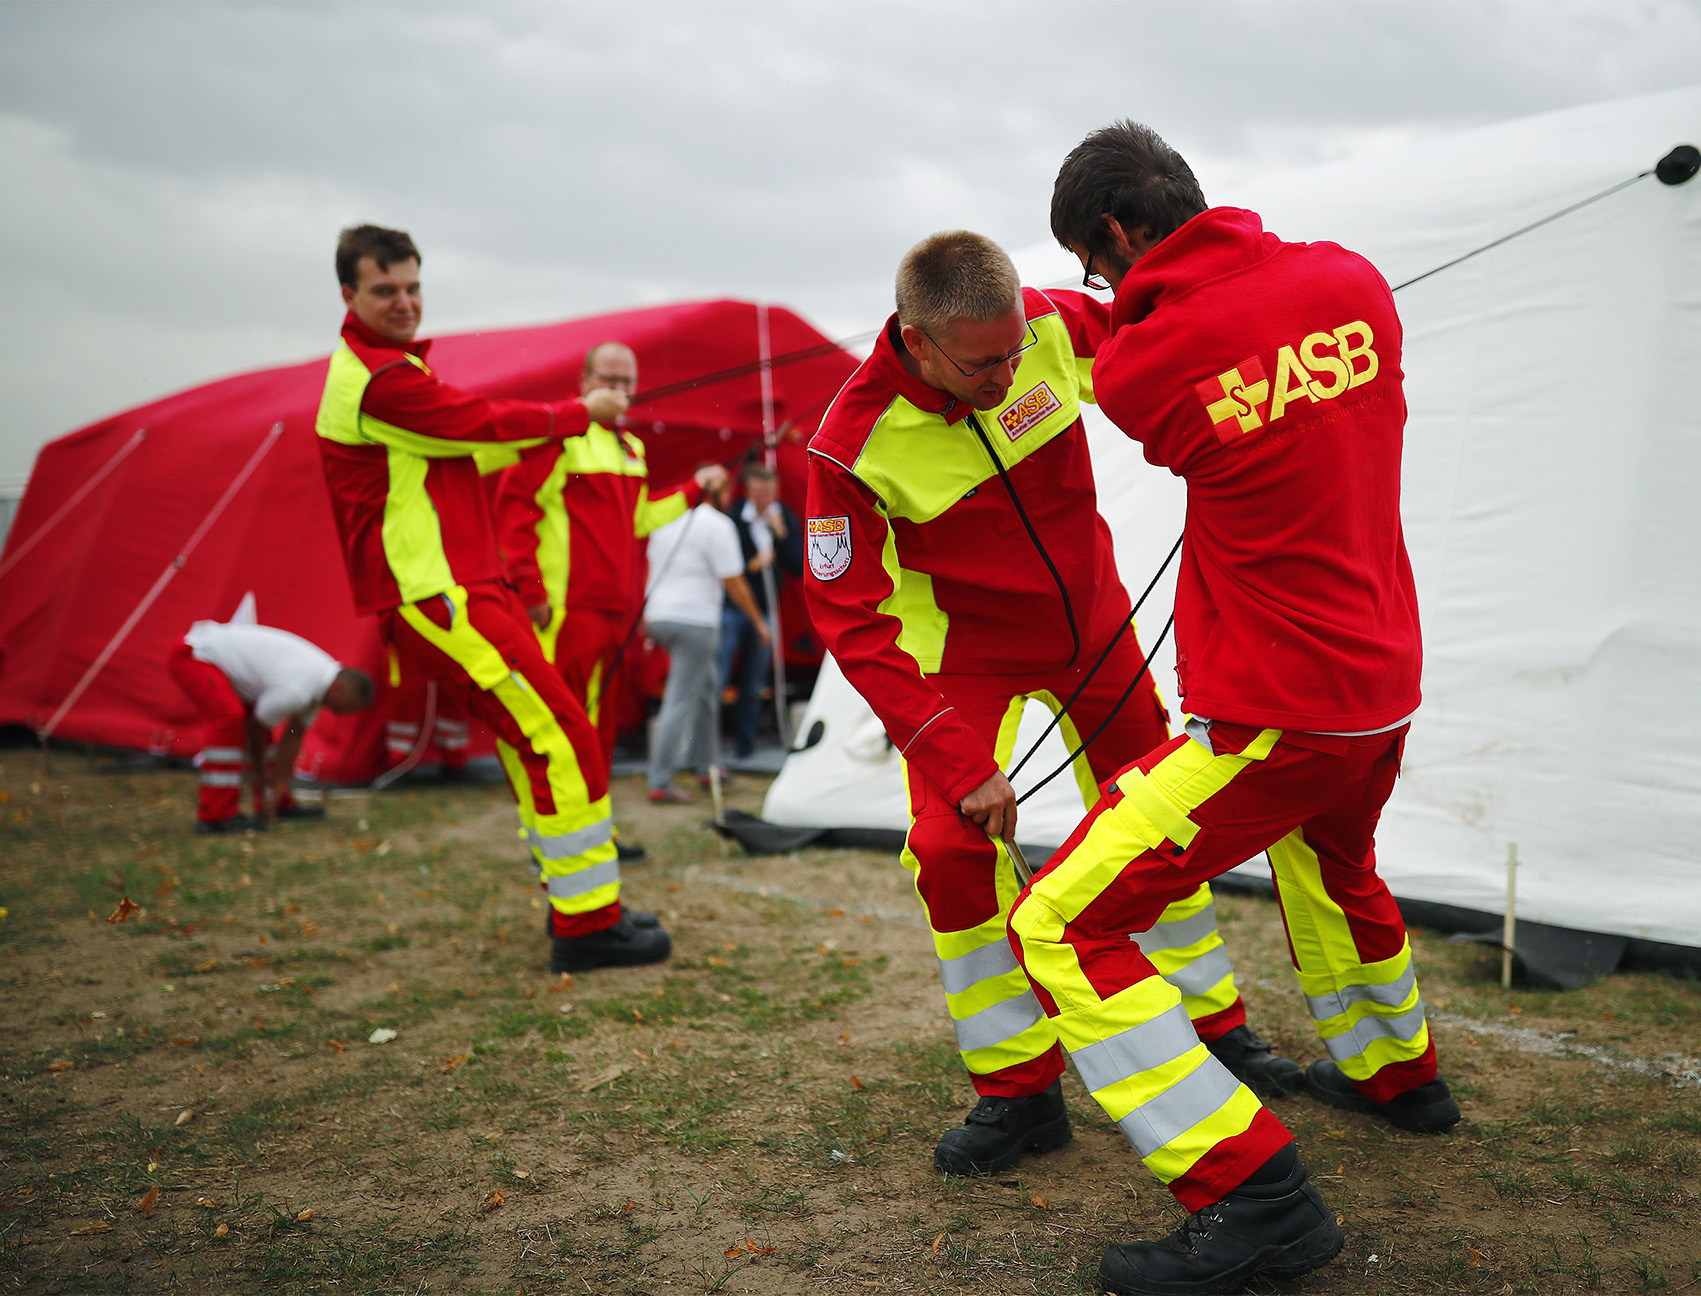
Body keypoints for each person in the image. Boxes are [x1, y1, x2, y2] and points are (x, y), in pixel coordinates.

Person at [1007, 121, 1457, 1295]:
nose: (1104, 291)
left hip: (1275, 710)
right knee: (1337, 864)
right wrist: (1122, 297)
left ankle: (1248, 1192)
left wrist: (1085, 308)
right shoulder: (1351, 277)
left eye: (1099, 268)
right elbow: (1242, 330)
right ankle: (1396, 1074)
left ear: (1114, 234)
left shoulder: (1141, 369)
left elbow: (1150, 356)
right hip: (1384, 687)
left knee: (1060, 923)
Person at [803, 230, 1301, 1182]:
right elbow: (850, 619)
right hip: (964, 664)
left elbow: (1156, 334)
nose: (1007, 369)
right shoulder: (846, 445)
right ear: (916, 339)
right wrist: (956, 763)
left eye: (1012, 350)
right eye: (982, 361)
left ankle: (1215, 1031)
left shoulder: (1042, 324)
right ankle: (1016, 1092)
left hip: (1097, 634)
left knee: (1155, 825)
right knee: (949, 853)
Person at [315, 223, 669, 973]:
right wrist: (576, 418)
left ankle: (583, 901)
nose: (405, 302)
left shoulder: (392, 371)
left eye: (412, 286)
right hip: (444, 597)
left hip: (474, 593)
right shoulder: (379, 381)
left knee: (542, 740)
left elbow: (478, 440)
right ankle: (585, 924)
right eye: (386, 290)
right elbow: (480, 431)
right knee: (563, 737)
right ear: (348, 295)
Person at [495, 343, 729, 856]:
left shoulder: (630, 448)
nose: (620, 391)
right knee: (560, 727)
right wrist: (531, 591)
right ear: (584, 379)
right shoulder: (559, 433)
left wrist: (695, 489)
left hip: (618, 614)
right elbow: (515, 509)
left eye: (628, 382)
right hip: (566, 611)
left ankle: (595, 833)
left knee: (595, 729)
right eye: (610, 380)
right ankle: (559, 835)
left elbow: (641, 519)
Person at [167, 617, 372, 833]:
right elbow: (255, 729)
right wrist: (261, 773)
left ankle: (275, 802)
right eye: (343, 708)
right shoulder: (298, 690)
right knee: (230, 718)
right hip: (194, 656)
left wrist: (278, 784)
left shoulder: (320, 681)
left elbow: (293, 735)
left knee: (257, 728)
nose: (338, 714)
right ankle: (215, 816)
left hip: (211, 657)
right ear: (338, 689)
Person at [643, 474, 768, 802]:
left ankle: (707, 765)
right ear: (714, 491)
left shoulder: (666, 518)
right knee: (682, 698)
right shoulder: (717, 524)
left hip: (660, 614)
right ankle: (659, 780)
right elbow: (734, 581)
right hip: (695, 619)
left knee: (706, 686)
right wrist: (758, 622)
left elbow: (650, 567)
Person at [717, 462, 803, 759]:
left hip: (766, 609)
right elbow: (728, 567)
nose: (765, 496)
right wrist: (756, 563)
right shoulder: (734, 518)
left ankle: (745, 745)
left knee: (754, 681)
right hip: (733, 608)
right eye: (759, 490)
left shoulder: (782, 516)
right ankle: (710, 746)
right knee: (721, 673)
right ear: (748, 489)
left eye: (770, 490)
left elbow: (798, 565)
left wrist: (781, 534)